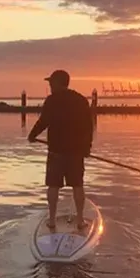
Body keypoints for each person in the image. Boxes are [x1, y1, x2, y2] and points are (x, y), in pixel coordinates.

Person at [27, 69, 94, 230]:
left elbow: (44, 121)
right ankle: (80, 221)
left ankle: (51, 220)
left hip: (56, 151)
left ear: (57, 83)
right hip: (76, 152)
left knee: (53, 185)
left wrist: (32, 135)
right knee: (78, 185)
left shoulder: (51, 100)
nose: (50, 85)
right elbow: (88, 127)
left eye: (51, 82)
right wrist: (87, 147)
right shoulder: (81, 100)